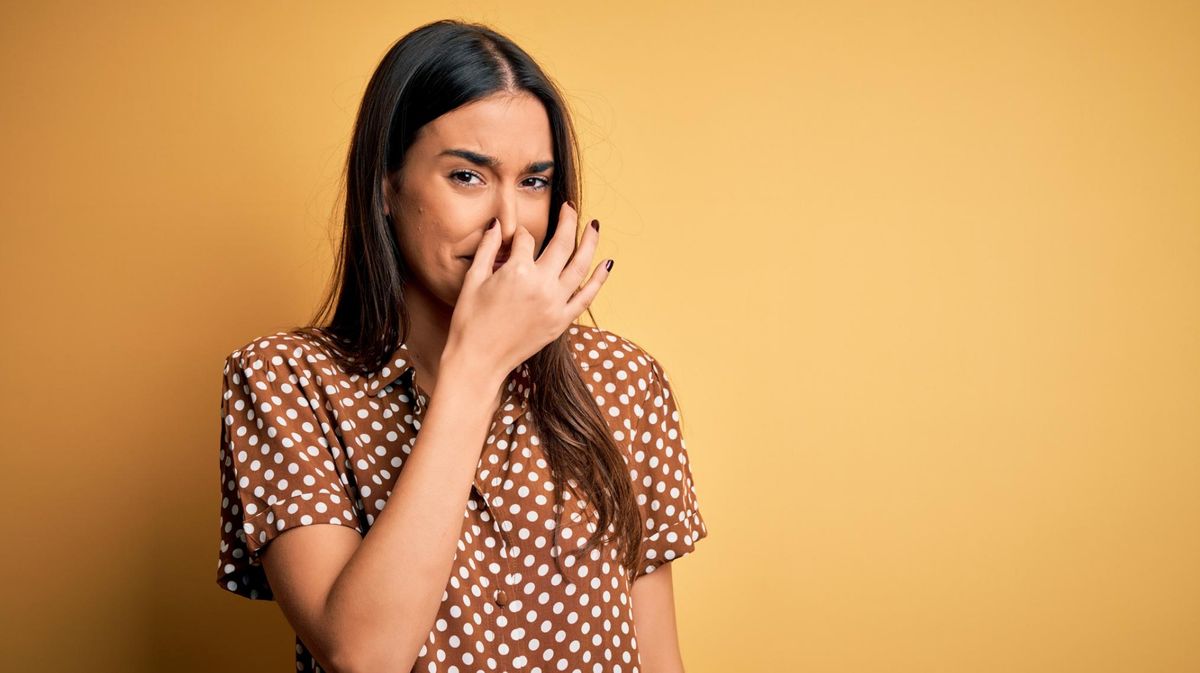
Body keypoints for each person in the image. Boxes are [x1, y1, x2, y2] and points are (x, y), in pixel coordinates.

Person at [215, 19, 709, 673]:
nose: (509, 223)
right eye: (468, 177)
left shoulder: (624, 381)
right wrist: (475, 366)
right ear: (386, 186)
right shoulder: (286, 380)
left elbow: (658, 658)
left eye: (533, 182)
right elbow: (363, 655)